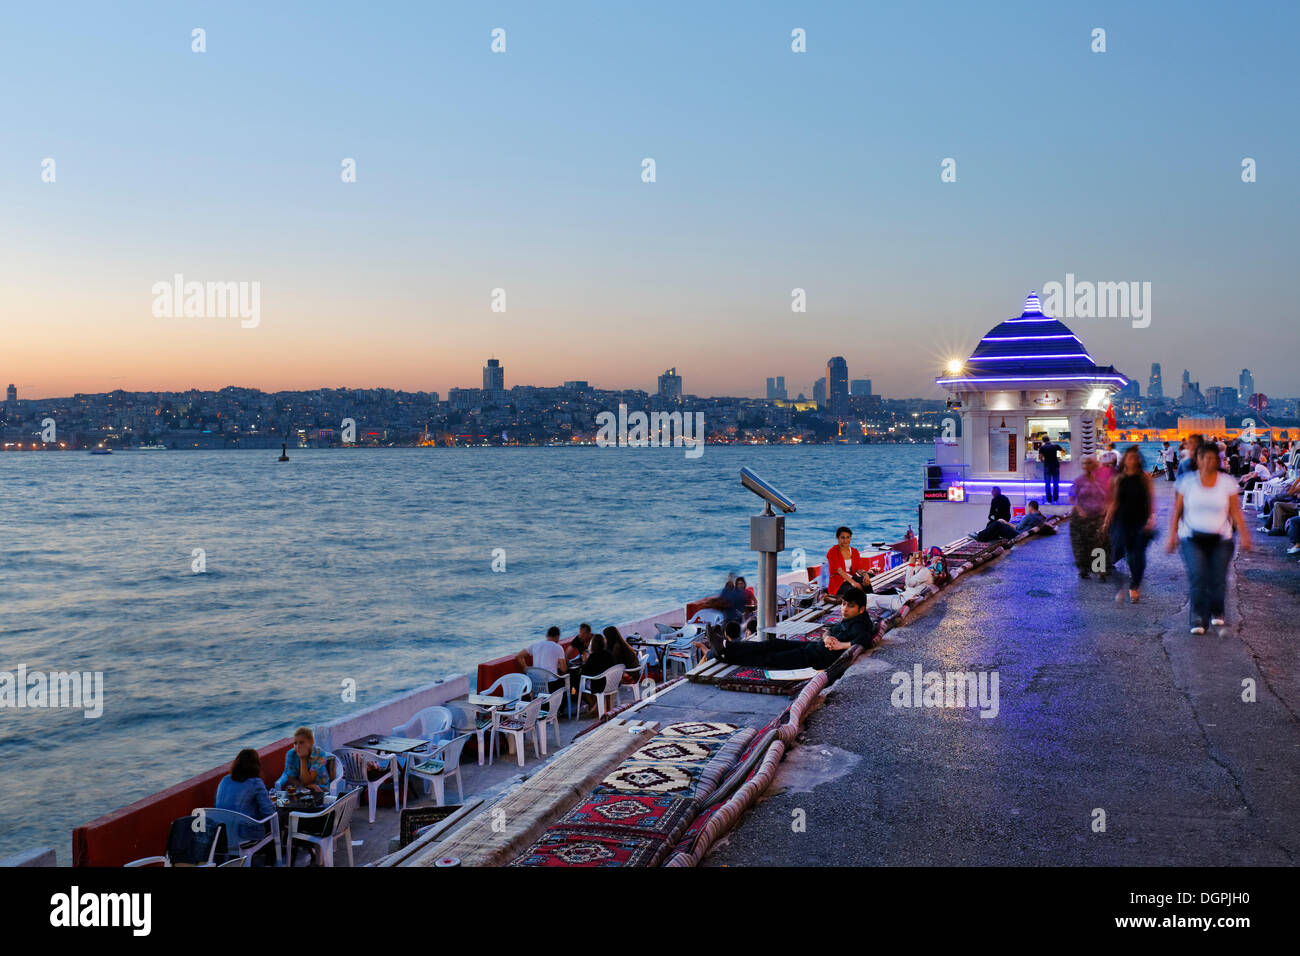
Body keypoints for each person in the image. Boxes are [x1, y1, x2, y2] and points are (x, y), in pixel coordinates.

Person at [1166, 442, 1251, 634]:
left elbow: (1235, 512)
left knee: (1217, 578)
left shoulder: (1227, 482)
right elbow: (1177, 511)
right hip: (1191, 537)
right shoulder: (1186, 482)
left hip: (1221, 538)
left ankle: (1217, 609)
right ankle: (1198, 617)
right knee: (1198, 576)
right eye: (1205, 457)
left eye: (1213, 458)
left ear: (1218, 460)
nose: (1209, 462)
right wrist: (1171, 536)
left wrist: (1245, 535)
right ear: (1198, 459)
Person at [707, 587, 876, 670]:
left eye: (850, 606)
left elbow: (865, 640)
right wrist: (827, 638)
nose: (844, 609)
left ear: (861, 609)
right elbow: (829, 629)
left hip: (815, 658)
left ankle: (726, 655)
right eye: (844, 604)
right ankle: (727, 646)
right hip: (815, 647)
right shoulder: (853, 618)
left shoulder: (860, 624)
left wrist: (841, 645)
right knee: (773, 644)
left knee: (772, 657)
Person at [1103, 445, 1156, 604]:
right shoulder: (1118, 479)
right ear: (1124, 460)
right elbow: (1114, 502)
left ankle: (1135, 585)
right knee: (1118, 549)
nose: (1133, 460)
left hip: (1140, 520)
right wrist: (1106, 521)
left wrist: (1152, 518)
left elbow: (1151, 499)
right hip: (1121, 520)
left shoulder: (1145, 478)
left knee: (1137, 555)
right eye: (1130, 457)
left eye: (1135, 457)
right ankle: (1121, 585)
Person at [215, 749, 277, 846]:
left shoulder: (225, 779)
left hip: (223, 835)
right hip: (244, 835)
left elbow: (217, 805)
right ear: (256, 765)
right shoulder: (256, 782)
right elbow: (269, 812)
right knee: (277, 820)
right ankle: (273, 857)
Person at [1069, 456, 1110, 580]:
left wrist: (1106, 510)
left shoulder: (1101, 481)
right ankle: (1083, 569)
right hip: (1081, 518)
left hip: (1098, 517)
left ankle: (1100, 570)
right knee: (1081, 545)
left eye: (1089, 463)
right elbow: (1072, 498)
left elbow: (1109, 497)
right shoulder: (1079, 481)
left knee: (1100, 543)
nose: (1086, 466)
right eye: (1084, 463)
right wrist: (1080, 510)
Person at [275, 726, 330, 792]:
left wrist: (302, 758)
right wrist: (302, 787)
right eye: (295, 743)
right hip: (300, 787)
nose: (298, 746)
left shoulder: (319, 754)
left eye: (301, 742)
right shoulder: (291, 754)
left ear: (311, 742)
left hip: (320, 788)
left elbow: (308, 780)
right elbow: (290, 777)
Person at [577, 632, 616, 714]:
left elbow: (585, 673)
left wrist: (584, 662)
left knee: (580, 685)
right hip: (611, 683)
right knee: (591, 681)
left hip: (599, 686)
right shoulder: (609, 654)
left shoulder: (592, 656)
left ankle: (594, 705)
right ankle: (598, 706)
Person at [825, 527, 869, 596]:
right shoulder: (832, 552)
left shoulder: (854, 551)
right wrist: (853, 583)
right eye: (843, 538)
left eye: (848, 537)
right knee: (853, 590)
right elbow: (840, 571)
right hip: (838, 582)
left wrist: (865, 574)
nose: (845, 540)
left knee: (867, 584)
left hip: (852, 577)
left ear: (850, 538)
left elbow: (858, 568)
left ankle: (870, 602)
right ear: (838, 538)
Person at [1038, 437, 1063, 504]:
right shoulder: (1055, 446)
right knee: (1056, 483)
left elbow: (1040, 457)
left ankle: (1049, 500)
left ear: (1043, 441)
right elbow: (1063, 450)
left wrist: (1043, 461)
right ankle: (1055, 499)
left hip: (1047, 466)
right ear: (1049, 440)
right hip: (1055, 466)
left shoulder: (1042, 448)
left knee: (1047, 484)